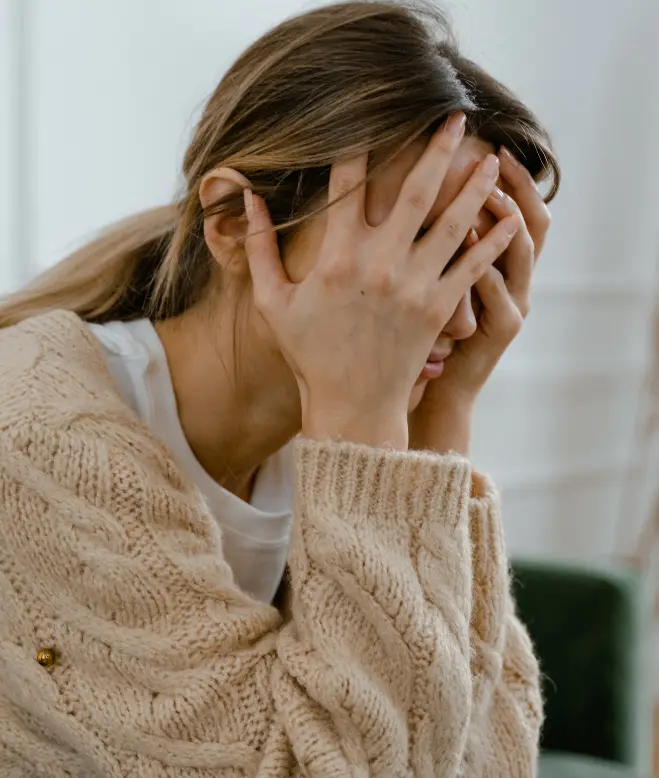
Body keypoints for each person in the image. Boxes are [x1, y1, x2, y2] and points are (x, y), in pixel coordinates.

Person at [0, 1, 560, 776]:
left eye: (482, 259)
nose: (454, 312)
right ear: (232, 222)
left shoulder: (355, 429)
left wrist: (442, 420)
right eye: (411, 244)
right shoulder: (36, 437)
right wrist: (373, 431)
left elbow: (486, 763)